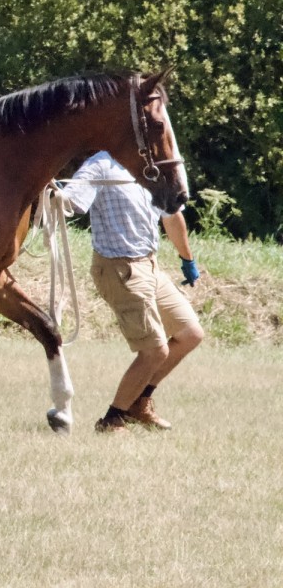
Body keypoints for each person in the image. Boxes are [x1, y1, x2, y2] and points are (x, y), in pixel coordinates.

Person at [58, 150, 205, 434]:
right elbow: (72, 201)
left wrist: (187, 259)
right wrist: (52, 191)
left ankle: (140, 402)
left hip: (150, 266)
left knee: (190, 334)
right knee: (154, 351)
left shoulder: (152, 169)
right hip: (119, 270)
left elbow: (171, 216)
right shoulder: (100, 164)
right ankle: (112, 419)